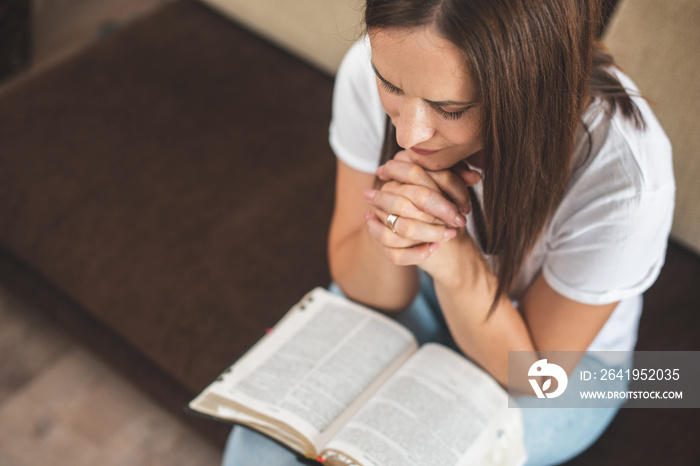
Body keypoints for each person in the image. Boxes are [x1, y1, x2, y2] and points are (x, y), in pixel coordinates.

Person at [222, 0, 674, 465]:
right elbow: (366, 289)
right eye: (390, 85)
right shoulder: (377, 65)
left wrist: (456, 262)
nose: (408, 135)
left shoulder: (625, 179)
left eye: (450, 109)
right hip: (426, 294)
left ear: (531, 83)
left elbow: (535, 375)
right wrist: (399, 213)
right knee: (264, 441)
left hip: (562, 371)